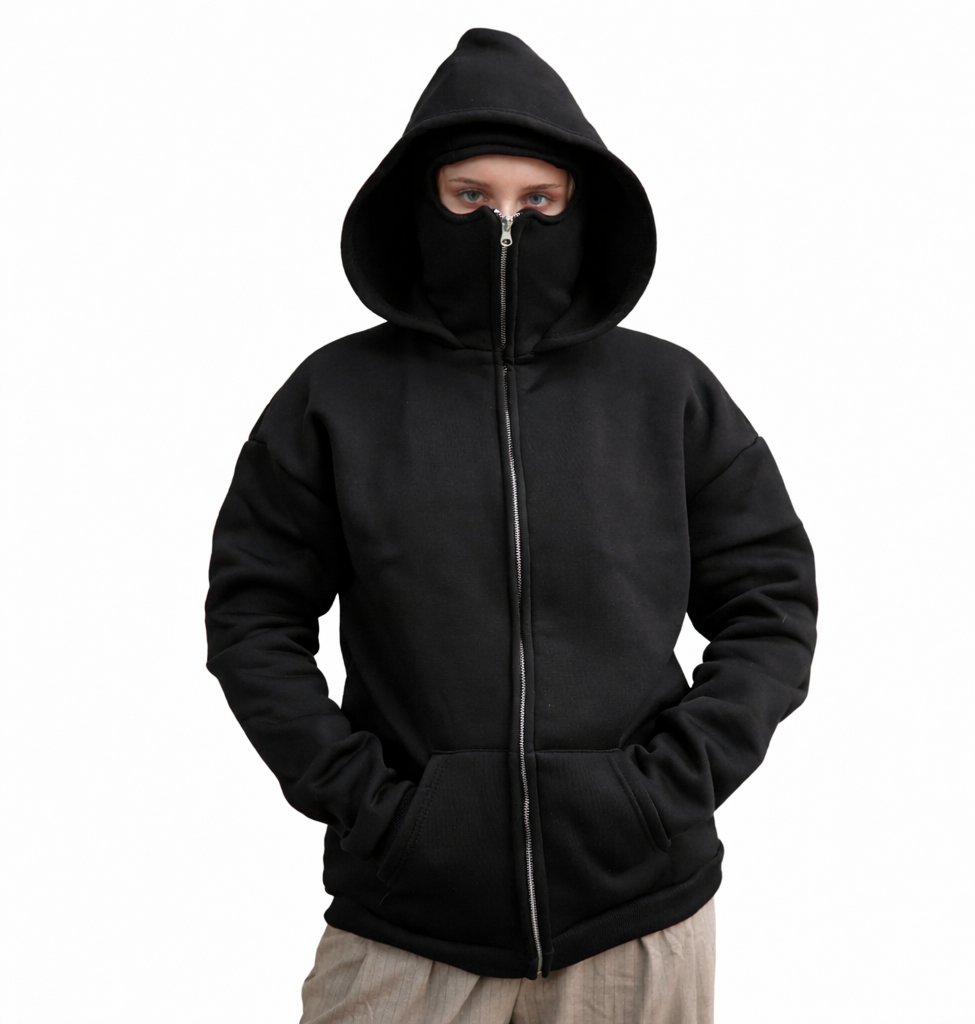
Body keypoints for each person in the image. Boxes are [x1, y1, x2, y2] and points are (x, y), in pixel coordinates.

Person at [205, 27, 817, 1024]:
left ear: (579, 204)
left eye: (538, 199)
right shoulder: (335, 397)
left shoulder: (667, 393)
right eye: (470, 195)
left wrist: (665, 790)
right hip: (407, 918)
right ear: (423, 202)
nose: (504, 222)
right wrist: (372, 807)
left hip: (638, 917)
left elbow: (771, 603)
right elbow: (252, 618)